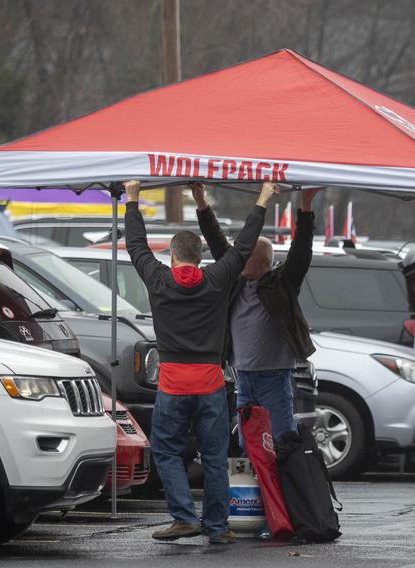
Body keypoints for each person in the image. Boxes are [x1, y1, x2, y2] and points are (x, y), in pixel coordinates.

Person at [125, 179, 275, 545]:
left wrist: (132, 198)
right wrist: (263, 198)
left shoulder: (159, 279)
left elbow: (135, 245)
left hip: (173, 382)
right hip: (210, 382)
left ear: (173, 256)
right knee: (214, 456)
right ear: (199, 257)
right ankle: (218, 527)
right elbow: (241, 248)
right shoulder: (216, 279)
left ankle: (182, 517)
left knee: (166, 451)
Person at [194, 185, 320, 537]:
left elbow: (301, 254)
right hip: (244, 380)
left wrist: (305, 206)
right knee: (249, 451)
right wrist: (202, 202)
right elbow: (219, 242)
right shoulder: (234, 282)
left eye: (246, 253)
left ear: (262, 262)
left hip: (275, 381)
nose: (239, 255)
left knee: (281, 448)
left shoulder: (281, 284)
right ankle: (257, 514)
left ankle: (287, 517)